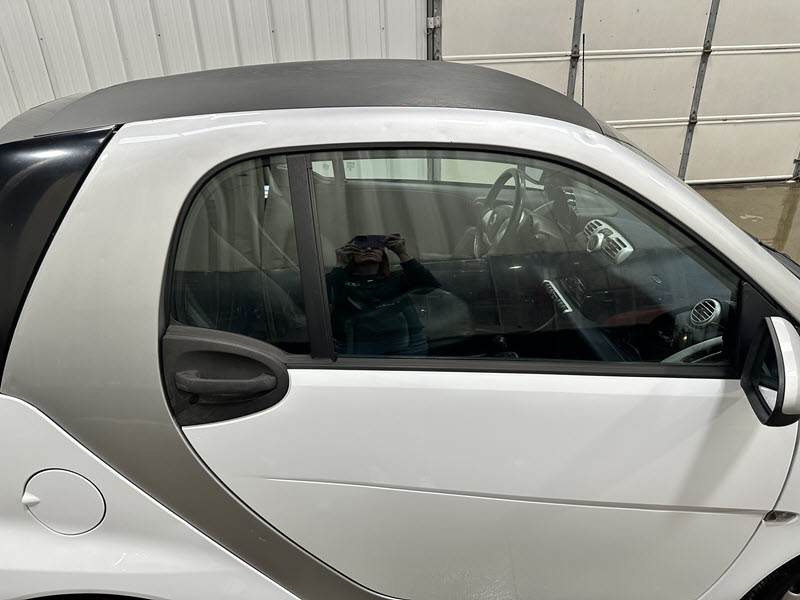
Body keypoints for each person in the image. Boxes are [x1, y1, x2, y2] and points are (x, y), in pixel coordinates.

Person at [326, 233, 440, 356]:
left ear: (383, 255)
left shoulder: (397, 277)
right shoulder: (340, 279)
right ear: (351, 255)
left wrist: (402, 253)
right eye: (361, 248)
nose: (369, 249)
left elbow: (429, 286)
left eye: (375, 247)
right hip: (355, 345)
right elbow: (325, 298)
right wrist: (340, 264)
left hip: (407, 344)